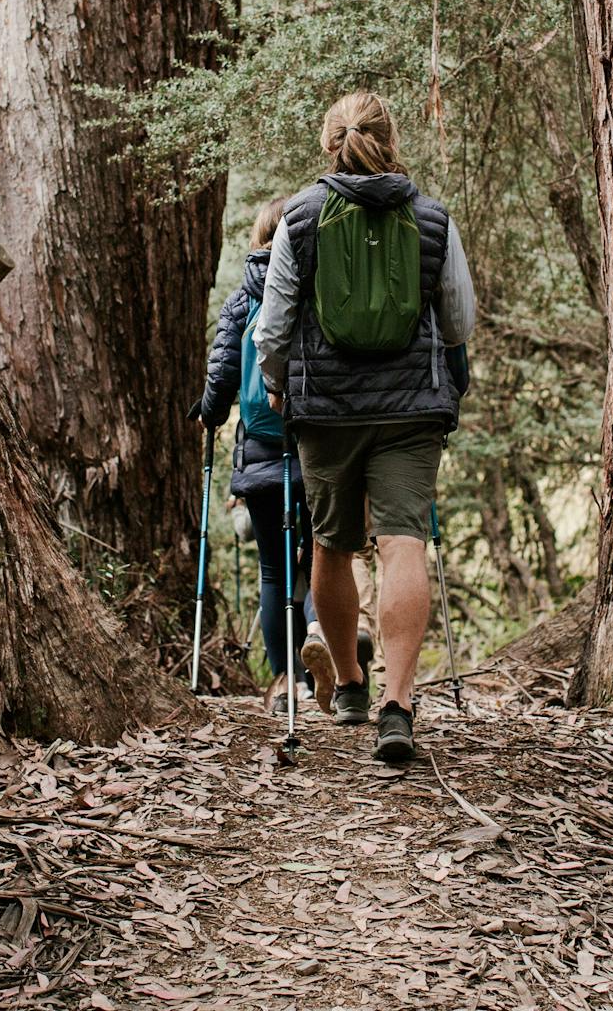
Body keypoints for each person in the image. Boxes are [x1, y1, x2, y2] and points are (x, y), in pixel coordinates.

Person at [253, 91, 476, 763]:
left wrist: (276, 385)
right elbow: (460, 320)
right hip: (411, 409)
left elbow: (274, 325)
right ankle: (398, 704)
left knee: (332, 543)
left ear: (331, 144)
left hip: (325, 410)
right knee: (402, 542)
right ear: (390, 138)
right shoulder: (433, 218)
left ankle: (348, 681)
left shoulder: (300, 217)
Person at [195, 198, 356, 714]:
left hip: (262, 450)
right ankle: (317, 633)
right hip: (317, 444)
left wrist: (209, 413)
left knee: (272, 569)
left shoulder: (242, 299)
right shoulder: (318, 284)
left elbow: (222, 373)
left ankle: (289, 679)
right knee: (321, 557)